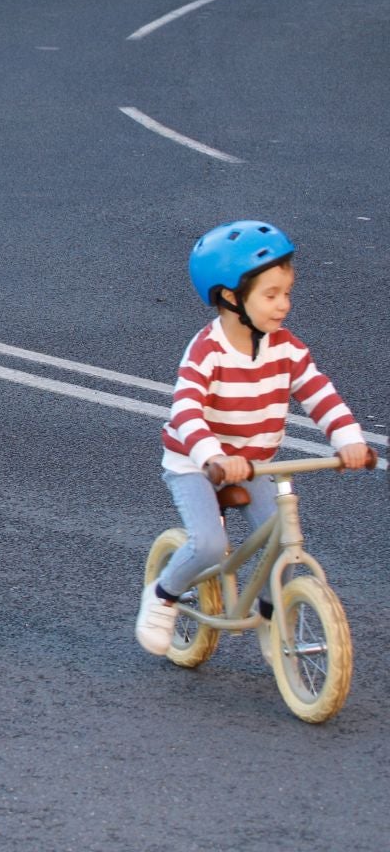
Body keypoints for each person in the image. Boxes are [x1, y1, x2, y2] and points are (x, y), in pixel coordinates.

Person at [135, 221, 374, 657]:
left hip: (257, 463)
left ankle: (271, 617)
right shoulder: (207, 350)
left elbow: (319, 392)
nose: (283, 305)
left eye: (287, 292)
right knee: (208, 544)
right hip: (196, 463)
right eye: (270, 295)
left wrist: (348, 440)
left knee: (281, 542)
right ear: (231, 297)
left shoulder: (286, 347)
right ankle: (164, 595)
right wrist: (213, 455)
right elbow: (186, 410)